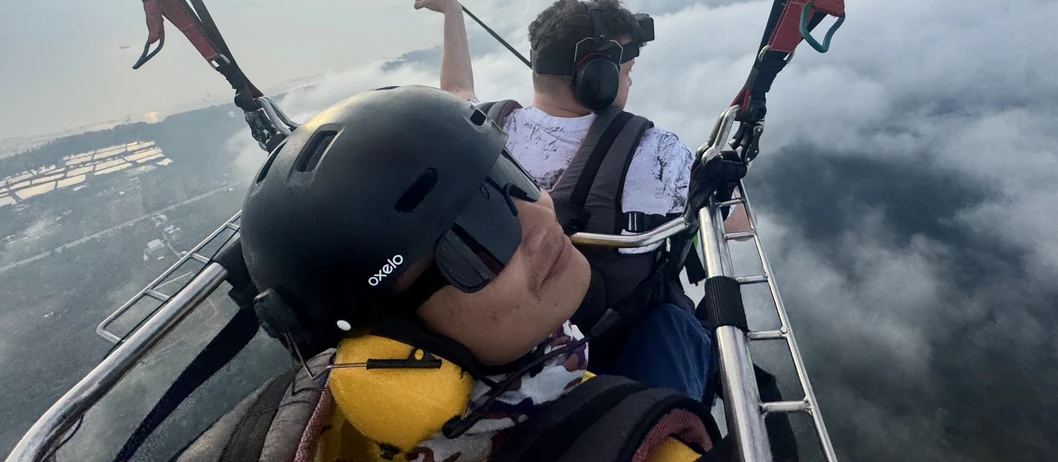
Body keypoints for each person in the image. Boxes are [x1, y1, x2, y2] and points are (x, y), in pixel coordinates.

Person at [180, 86, 729, 462]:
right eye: (479, 234)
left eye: (511, 176)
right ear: (395, 337)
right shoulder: (654, 448)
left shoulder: (305, 423)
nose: (542, 216)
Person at [412, 0, 748, 394]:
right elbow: (733, 226)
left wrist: (451, 12)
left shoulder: (479, 130)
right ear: (598, 80)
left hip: (500, 340)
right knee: (676, 324)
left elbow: (457, 90)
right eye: (627, 72)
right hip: (615, 346)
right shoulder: (655, 151)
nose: (630, 82)